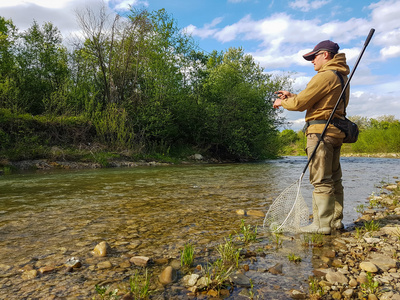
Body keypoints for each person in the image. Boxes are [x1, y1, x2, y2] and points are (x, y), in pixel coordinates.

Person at [273, 40, 350, 234]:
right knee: (334, 179)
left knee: (321, 180)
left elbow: (299, 105)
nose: (311, 61)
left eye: (314, 56)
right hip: (334, 133)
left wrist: (283, 103)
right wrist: (292, 95)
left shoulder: (325, 76)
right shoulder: (340, 76)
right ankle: (335, 221)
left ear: (326, 55)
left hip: (320, 134)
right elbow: (321, 102)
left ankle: (321, 225)